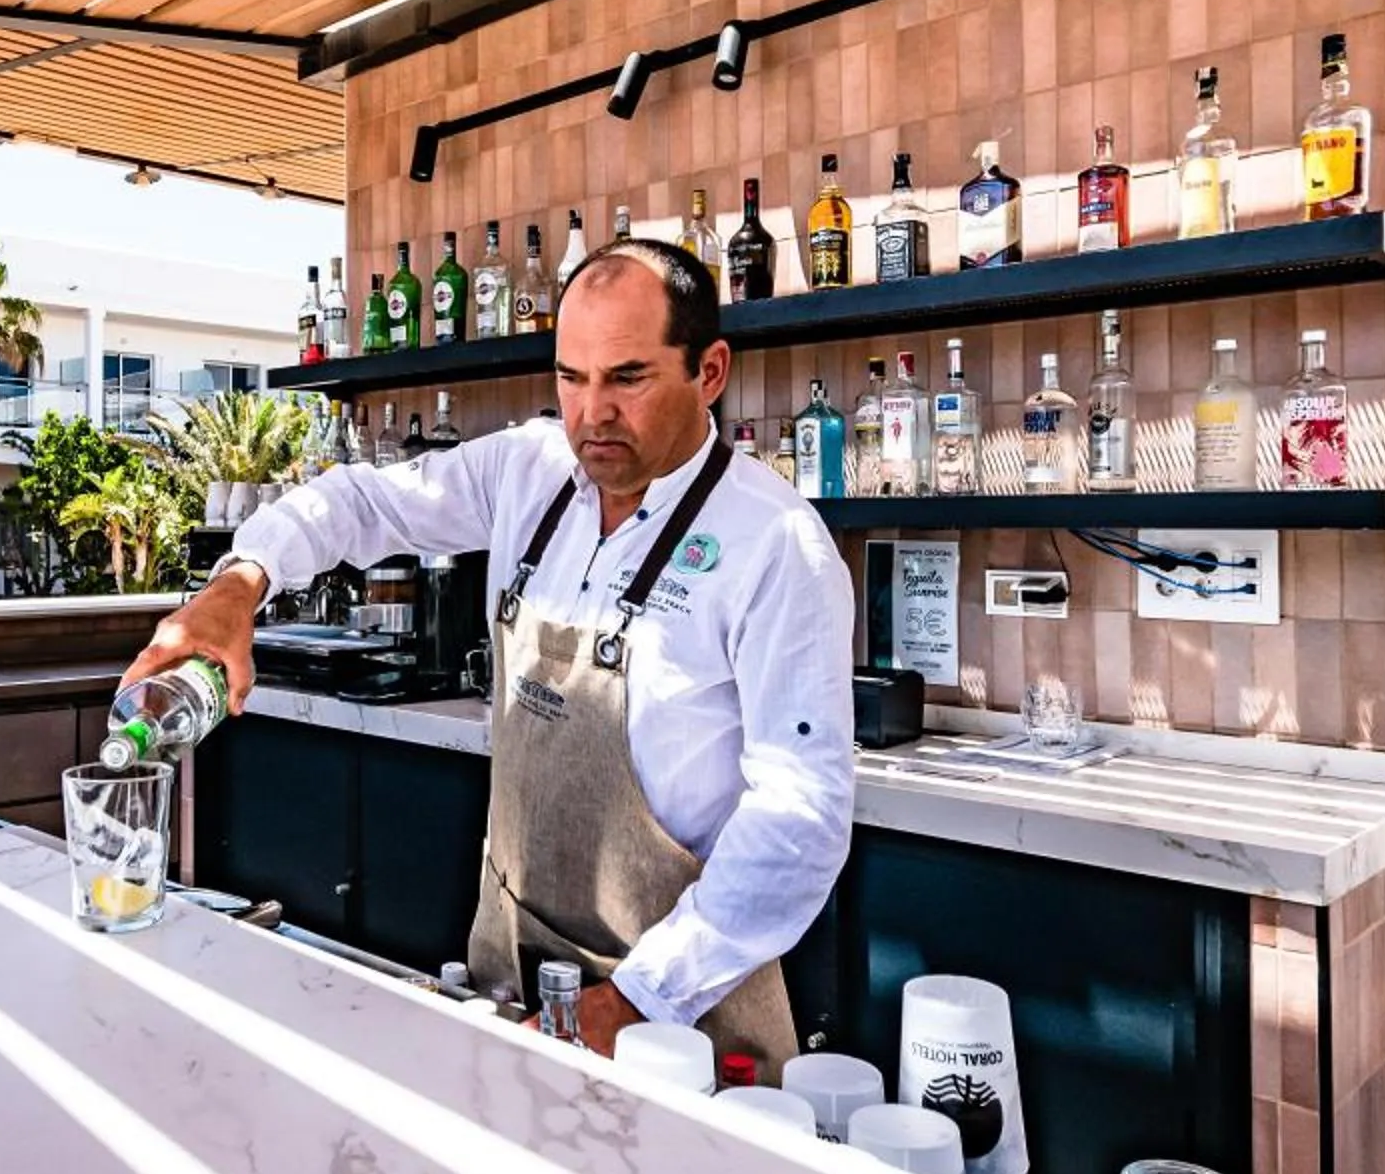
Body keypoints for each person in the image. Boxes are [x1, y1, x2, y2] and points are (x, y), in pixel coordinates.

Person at [124, 237, 854, 1066]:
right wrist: (240, 581)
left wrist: (640, 1000)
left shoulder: (775, 543)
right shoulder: (531, 471)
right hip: (511, 979)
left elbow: (800, 821)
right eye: (570, 377)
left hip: (683, 1025)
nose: (592, 413)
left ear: (710, 371)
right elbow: (366, 503)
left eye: (627, 377)